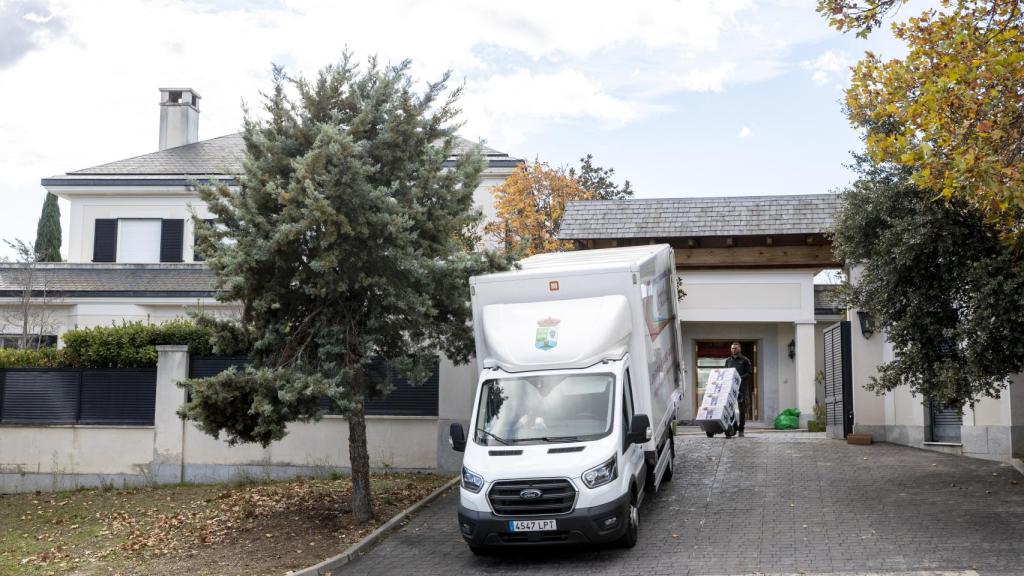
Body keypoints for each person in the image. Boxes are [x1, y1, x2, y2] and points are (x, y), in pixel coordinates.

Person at [724, 342, 752, 437]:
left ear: (739, 349)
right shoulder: (728, 360)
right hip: (730, 388)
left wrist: (739, 378)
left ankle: (741, 429)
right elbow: (725, 373)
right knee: (730, 409)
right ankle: (734, 427)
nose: (733, 350)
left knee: (741, 409)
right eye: (732, 348)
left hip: (741, 389)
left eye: (735, 348)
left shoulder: (745, 360)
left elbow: (749, 373)